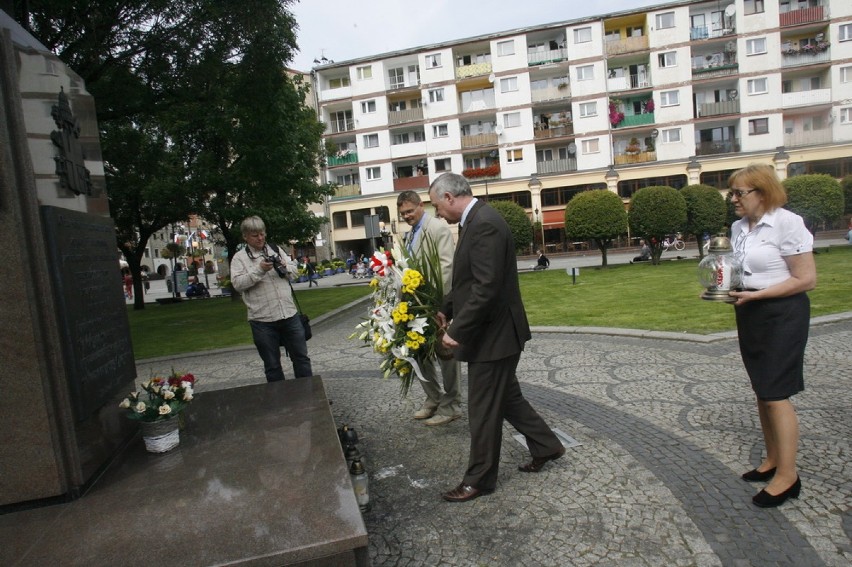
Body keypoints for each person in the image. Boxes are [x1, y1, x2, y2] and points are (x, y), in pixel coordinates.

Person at [429, 173, 565, 503]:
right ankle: (548, 446)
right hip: (496, 334)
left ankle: (479, 480)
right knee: (506, 399)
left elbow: (487, 287)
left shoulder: (484, 223)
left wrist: (457, 331)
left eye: (437, 206)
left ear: (449, 197)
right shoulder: (473, 220)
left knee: (483, 410)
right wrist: (447, 307)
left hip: (495, 337)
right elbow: (469, 278)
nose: (438, 214)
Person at [727, 164, 816, 508]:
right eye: (732, 193)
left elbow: (806, 279)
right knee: (762, 391)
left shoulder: (787, 223)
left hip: (783, 314)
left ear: (762, 193)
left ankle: (788, 476)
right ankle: (773, 459)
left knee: (776, 393)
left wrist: (758, 295)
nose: (733, 199)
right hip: (749, 311)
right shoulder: (738, 227)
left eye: (739, 192)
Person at [397, 190, 462, 427]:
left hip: (435, 306)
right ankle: (433, 398)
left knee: (446, 355)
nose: (406, 216)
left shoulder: (437, 228)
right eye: (402, 213)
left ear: (421, 205)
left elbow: (447, 268)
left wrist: (440, 306)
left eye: (410, 211)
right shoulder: (410, 233)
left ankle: (452, 404)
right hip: (415, 306)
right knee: (419, 353)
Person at [231, 216, 312, 382]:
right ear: (245, 236)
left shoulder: (275, 249)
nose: (260, 238)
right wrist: (259, 270)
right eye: (255, 235)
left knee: (302, 359)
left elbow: (295, 272)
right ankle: (279, 402)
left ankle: (309, 397)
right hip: (262, 320)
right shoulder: (239, 258)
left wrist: (284, 265)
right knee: (272, 365)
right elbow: (238, 284)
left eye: (262, 234)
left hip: (289, 315)